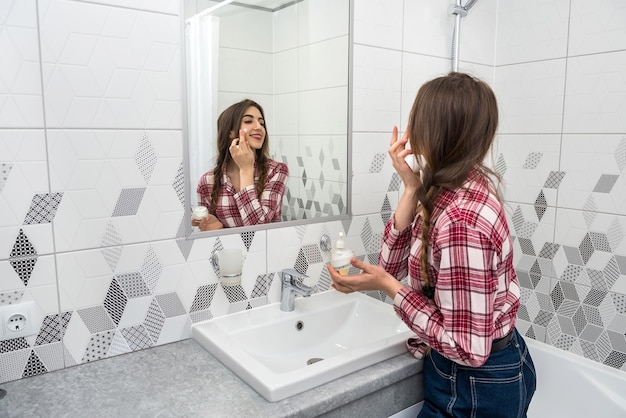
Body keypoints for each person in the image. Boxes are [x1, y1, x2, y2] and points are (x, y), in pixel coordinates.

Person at [327, 72, 536, 417]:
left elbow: (468, 349)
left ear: (433, 130)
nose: (410, 127)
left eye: (416, 117)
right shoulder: (449, 187)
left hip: (476, 385)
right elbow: (389, 264)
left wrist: (390, 288)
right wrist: (410, 187)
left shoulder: (460, 221)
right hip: (472, 376)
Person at [195, 99, 288, 231]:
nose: (259, 127)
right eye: (249, 121)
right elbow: (210, 239)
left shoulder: (276, 171)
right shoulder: (207, 181)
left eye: (261, 123)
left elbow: (260, 232)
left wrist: (246, 169)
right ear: (230, 132)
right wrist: (217, 228)